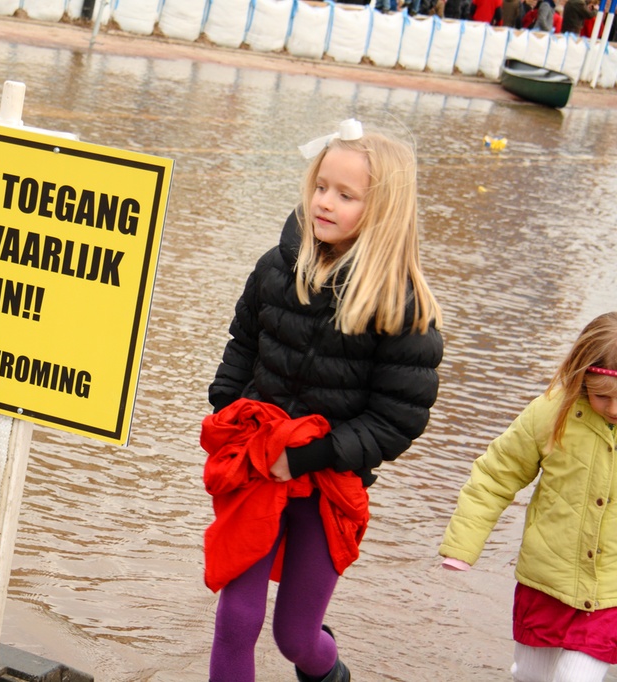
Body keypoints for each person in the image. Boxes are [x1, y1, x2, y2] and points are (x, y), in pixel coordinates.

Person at [203, 119, 444, 682]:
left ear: (382, 209)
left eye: (346, 194)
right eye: (320, 186)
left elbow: (397, 420)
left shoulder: (402, 306)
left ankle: (328, 671)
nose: (325, 202)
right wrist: (225, 407)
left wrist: (308, 458)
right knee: (237, 618)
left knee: (294, 636)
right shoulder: (274, 267)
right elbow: (243, 342)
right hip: (260, 464)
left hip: (329, 479)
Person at [438, 312, 617, 682]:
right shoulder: (551, 413)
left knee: (573, 678)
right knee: (530, 676)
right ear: (581, 376)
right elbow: (495, 474)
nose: (614, 409)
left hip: (609, 591)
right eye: (603, 397)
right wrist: (463, 544)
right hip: (546, 580)